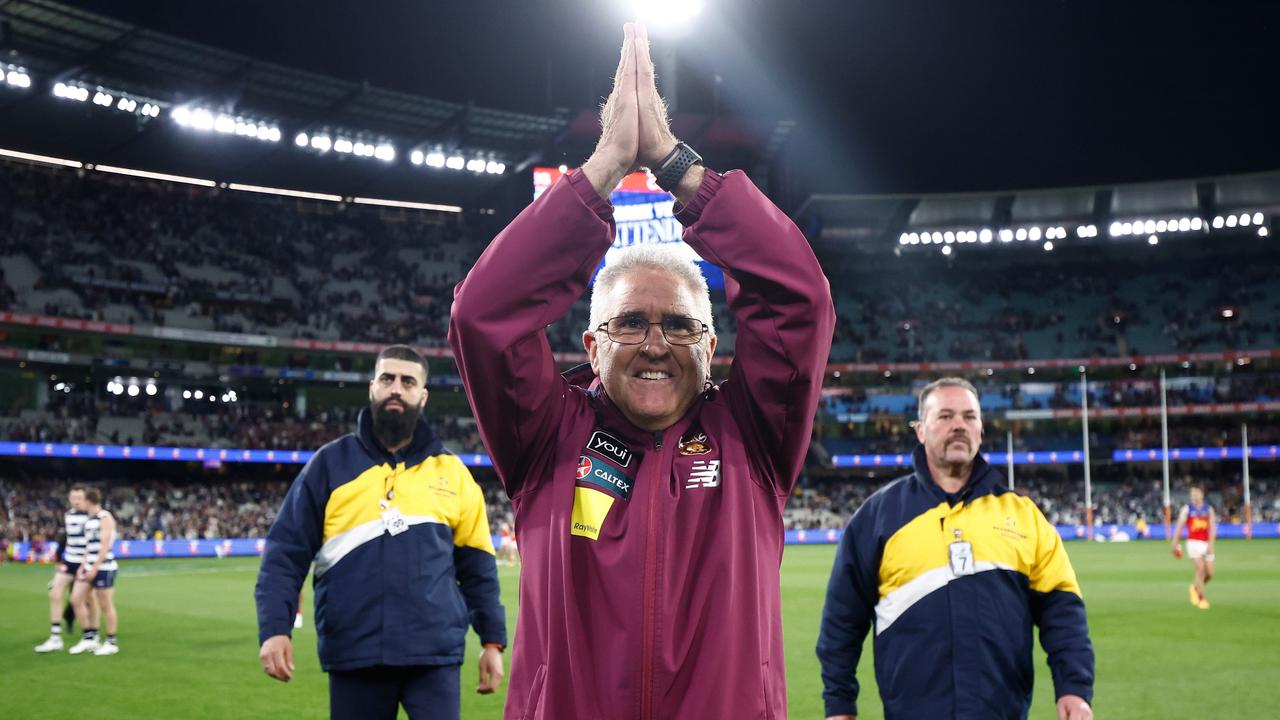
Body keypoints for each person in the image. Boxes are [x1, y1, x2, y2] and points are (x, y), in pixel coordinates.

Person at [448, 22, 835, 719]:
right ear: (592, 348)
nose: (655, 343)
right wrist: (603, 167)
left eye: (681, 325)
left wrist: (671, 160)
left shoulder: (755, 437)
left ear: (712, 347)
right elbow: (483, 313)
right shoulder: (544, 437)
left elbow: (797, 297)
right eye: (629, 323)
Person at [817, 378, 1095, 720]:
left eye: (969, 417)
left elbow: (1062, 608)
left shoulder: (1024, 516)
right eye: (945, 416)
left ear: (980, 429)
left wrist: (1073, 687)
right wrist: (839, 705)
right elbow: (842, 620)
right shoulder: (877, 517)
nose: (959, 425)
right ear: (920, 430)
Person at [255, 344, 506, 720]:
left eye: (408, 381)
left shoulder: (453, 474)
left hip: (433, 656)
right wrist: (276, 629)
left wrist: (492, 641)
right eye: (387, 378)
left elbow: (478, 567)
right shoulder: (329, 465)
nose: (396, 388)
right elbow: (284, 555)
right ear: (372, 387)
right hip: (355, 654)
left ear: (422, 396)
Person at [35, 486, 94, 653]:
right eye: (73, 497)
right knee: (54, 593)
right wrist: (60, 560)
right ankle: (55, 638)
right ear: (69, 498)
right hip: (70, 561)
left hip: (85, 562)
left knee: (84, 600)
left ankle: (90, 636)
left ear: (85, 499)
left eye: (79, 497)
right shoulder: (68, 515)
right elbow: (68, 539)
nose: (76, 500)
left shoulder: (91, 516)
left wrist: (87, 562)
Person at [69, 487, 119, 656]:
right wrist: (84, 565)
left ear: (88, 501)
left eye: (81, 500)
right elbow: (89, 546)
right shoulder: (89, 520)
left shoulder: (105, 518)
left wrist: (95, 567)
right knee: (76, 599)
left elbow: (105, 546)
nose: (78, 503)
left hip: (104, 566)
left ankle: (111, 641)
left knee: (105, 604)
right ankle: (89, 638)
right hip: (89, 565)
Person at [1171, 484, 1215, 609]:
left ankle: (1195, 587)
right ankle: (1201, 597)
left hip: (1206, 543)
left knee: (1209, 574)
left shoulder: (1208, 509)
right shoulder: (1187, 509)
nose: (1194, 496)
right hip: (1193, 542)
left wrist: (1211, 544)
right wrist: (1175, 543)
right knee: (1200, 568)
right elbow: (1179, 526)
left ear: (1202, 494)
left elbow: (1212, 528)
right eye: (1192, 494)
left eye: (1196, 493)